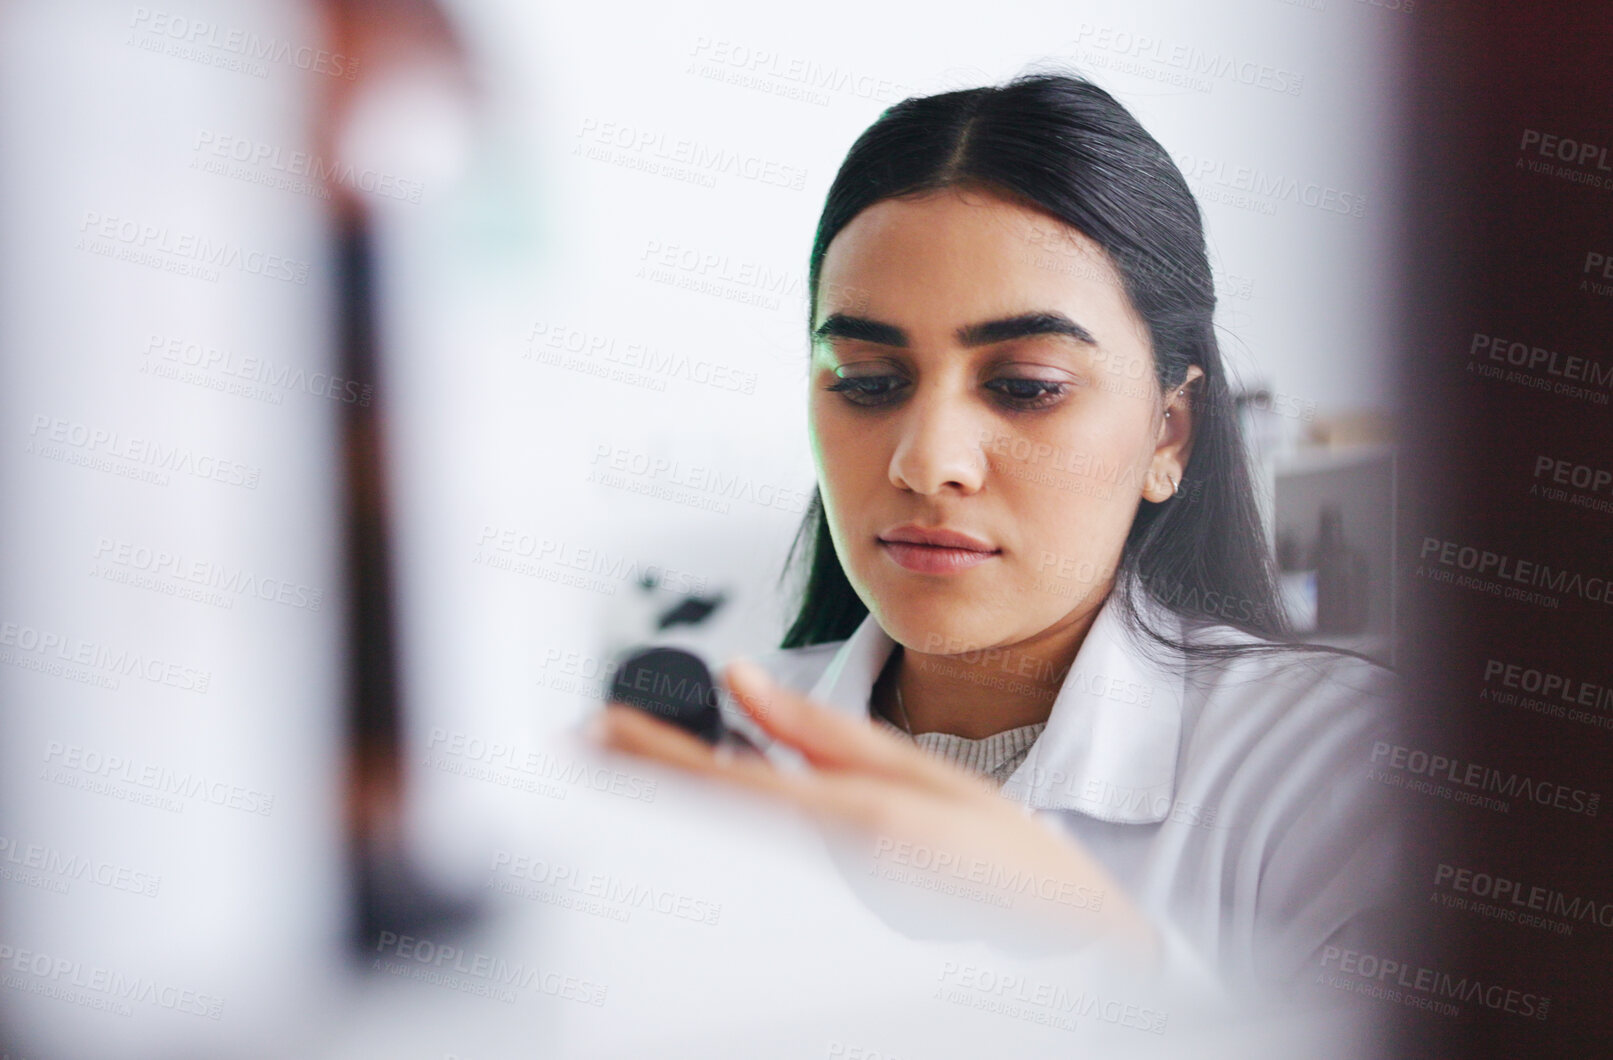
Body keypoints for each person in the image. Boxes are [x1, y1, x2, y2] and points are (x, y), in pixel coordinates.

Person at [596, 73, 1405, 998]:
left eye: (1024, 385)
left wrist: (1095, 948)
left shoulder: (1343, 772)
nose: (926, 461)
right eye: (865, 379)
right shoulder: (698, 768)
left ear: (1168, 432)